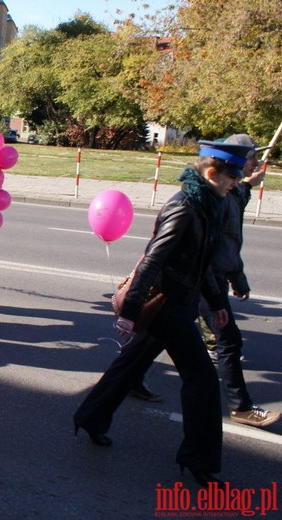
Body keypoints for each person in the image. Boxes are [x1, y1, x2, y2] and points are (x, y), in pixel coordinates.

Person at [73, 140, 251, 487]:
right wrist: (131, 310)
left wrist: (216, 304)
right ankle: (198, 459)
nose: (236, 182)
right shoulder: (186, 208)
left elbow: (203, 265)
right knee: (201, 380)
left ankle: (90, 417)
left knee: (130, 365)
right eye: (232, 176)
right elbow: (153, 260)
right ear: (212, 173)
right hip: (168, 305)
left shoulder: (210, 205)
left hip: (183, 301)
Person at [197, 134, 278, 428]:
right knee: (229, 340)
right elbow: (206, 251)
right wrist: (219, 298)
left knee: (152, 341)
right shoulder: (204, 202)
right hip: (198, 280)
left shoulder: (228, 194)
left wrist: (237, 279)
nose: (255, 162)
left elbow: (230, 242)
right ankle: (241, 407)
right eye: (251, 158)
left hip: (207, 278)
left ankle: (105, 401)